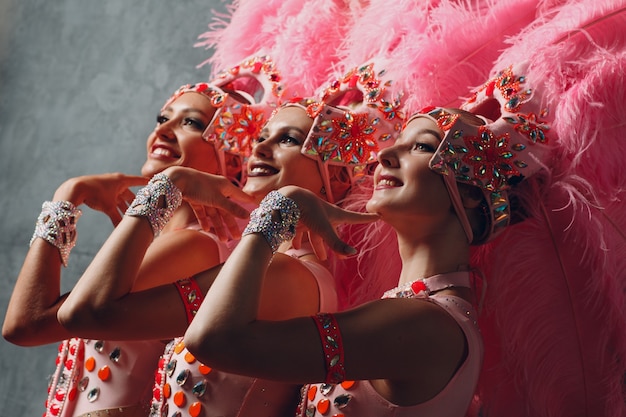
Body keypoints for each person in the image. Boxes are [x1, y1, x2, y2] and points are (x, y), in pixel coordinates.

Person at [180, 62, 562, 417]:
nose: (386, 153)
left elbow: (213, 339)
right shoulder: (420, 309)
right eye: (397, 143)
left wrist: (280, 208)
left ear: (472, 194)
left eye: (423, 146)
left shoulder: (423, 322)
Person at [56, 62, 406, 417]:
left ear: (337, 179)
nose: (262, 148)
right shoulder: (272, 266)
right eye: (261, 137)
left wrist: (166, 187)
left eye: (288, 139)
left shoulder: (287, 274)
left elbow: (80, 314)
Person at [2, 55, 281, 417]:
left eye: (191, 123)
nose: (163, 130)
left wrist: (68, 196)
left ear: (233, 161)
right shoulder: (150, 237)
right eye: (164, 118)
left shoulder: (195, 245)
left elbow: (26, 325)